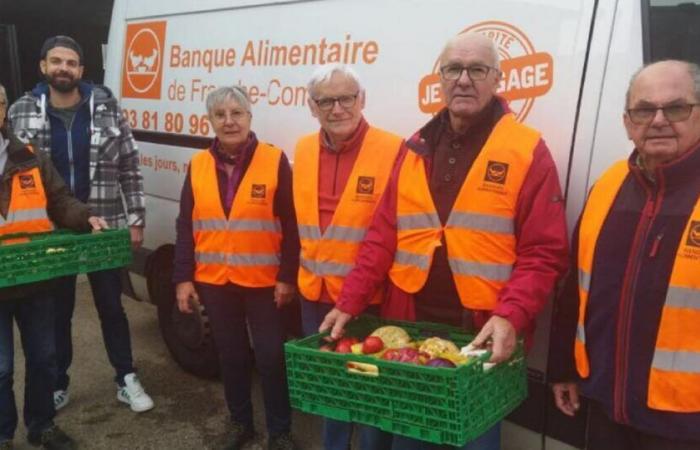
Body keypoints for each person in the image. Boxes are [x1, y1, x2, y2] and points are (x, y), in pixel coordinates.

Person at [319, 33, 569, 449]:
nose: (464, 80)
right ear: (440, 78)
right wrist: (350, 300)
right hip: (409, 331)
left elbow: (544, 252)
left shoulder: (526, 150)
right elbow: (382, 237)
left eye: (477, 70)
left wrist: (512, 314)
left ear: (497, 79)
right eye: (453, 69)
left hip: (479, 338)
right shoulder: (415, 147)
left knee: (472, 439)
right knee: (410, 437)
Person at [550, 60, 700, 450]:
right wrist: (562, 368)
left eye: (677, 108)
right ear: (627, 122)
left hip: (687, 423)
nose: (659, 120)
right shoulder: (609, 185)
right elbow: (575, 289)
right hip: (605, 408)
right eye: (644, 109)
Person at [7, 35, 153, 414]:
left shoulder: (105, 105)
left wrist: (135, 218)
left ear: (81, 70)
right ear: (43, 66)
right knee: (58, 310)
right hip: (50, 230)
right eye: (56, 61)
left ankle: (126, 377)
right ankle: (58, 382)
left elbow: (130, 164)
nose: (63, 68)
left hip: (102, 225)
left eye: (71, 63)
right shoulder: (23, 109)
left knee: (111, 306)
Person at [173, 86, 299, 450]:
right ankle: (240, 422)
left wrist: (287, 276)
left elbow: (292, 225)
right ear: (210, 121)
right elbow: (186, 224)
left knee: (272, 356)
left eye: (237, 113)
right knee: (230, 355)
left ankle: (280, 431)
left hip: (264, 282)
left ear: (249, 117)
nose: (229, 121)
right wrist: (183, 278)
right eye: (220, 115)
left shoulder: (274, 160)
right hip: (215, 281)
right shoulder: (197, 165)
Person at [293, 63, 403, 450]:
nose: (337, 109)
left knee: (371, 387)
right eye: (326, 101)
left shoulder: (394, 150)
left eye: (346, 98)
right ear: (312, 106)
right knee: (331, 389)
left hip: (369, 300)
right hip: (315, 295)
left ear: (362, 99)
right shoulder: (303, 149)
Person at [0, 82, 108, 450]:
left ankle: (41, 424)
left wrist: (86, 217)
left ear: (4, 110)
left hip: (35, 278)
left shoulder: (30, 156)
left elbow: (60, 200)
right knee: (1, 369)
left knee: (45, 359)